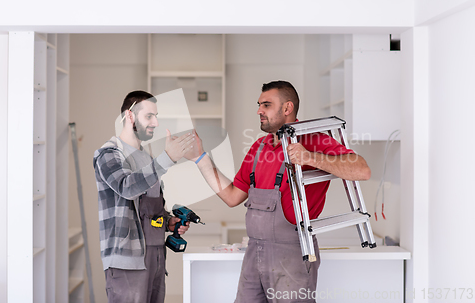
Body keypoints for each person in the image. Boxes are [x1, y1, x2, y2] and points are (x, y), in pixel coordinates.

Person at [186, 80, 371, 302]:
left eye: (266, 105)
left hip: (293, 254)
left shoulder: (313, 139)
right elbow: (232, 196)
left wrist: (309, 157)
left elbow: (362, 169)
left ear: (287, 108)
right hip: (254, 253)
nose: (259, 111)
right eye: (259, 105)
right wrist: (200, 157)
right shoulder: (258, 147)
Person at [93, 90, 195, 303]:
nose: (155, 122)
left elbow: (148, 208)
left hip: (155, 258)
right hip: (127, 261)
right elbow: (126, 187)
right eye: (149, 116)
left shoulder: (145, 158)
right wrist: (166, 159)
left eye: (156, 116)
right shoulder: (109, 153)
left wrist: (168, 222)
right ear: (129, 116)